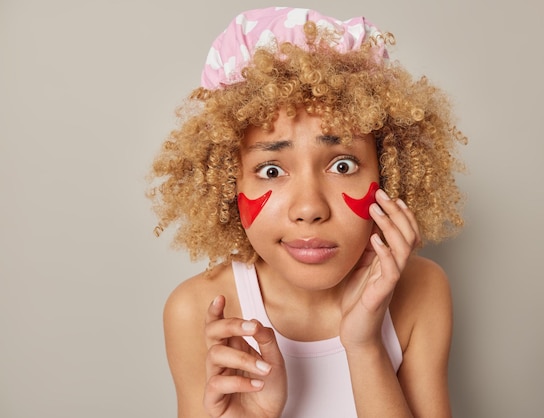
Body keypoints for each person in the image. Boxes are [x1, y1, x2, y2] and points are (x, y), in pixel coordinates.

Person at [148, 6, 466, 418]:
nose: (309, 208)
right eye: (271, 170)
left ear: (388, 172)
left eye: (342, 166)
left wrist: (365, 345)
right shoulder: (200, 311)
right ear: (229, 184)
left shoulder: (422, 291)